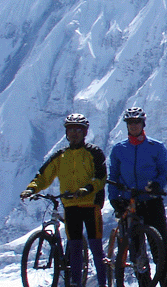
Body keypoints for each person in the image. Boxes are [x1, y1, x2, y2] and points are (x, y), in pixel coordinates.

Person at [20, 114, 108, 287]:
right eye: (70, 130)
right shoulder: (60, 156)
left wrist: (87, 189)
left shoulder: (94, 152)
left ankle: (103, 283)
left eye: (78, 130)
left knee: (95, 246)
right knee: (74, 246)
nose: (74, 133)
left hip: (91, 205)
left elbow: (101, 177)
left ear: (84, 132)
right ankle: (75, 283)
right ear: (66, 133)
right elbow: (43, 176)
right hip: (70, 206)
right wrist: (31, 189)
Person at [107, 107, 167, 249]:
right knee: (134, 248)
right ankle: (139, 269)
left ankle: (163, 271)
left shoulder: (157, 147)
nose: (134, 125)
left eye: (137, 122)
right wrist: (113, 198)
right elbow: (113, 176)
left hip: (151, 201)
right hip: (128, 203)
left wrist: (157, 185)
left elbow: (164, 172)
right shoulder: (119, 149)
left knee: (160, 246)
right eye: (130, 122)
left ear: (143, 124)